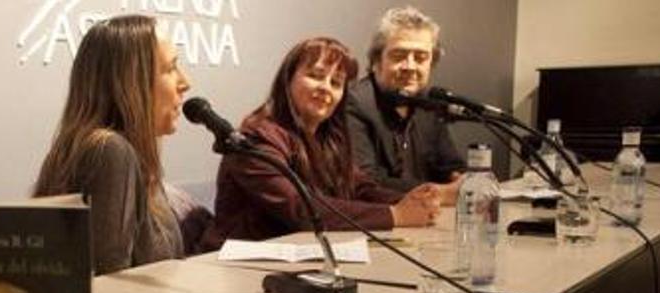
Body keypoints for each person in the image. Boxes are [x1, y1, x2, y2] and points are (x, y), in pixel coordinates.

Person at [200, 37, 440, 250]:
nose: (325, 88)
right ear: (288, 80)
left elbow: (359, 187)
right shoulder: (256, 137)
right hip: (236, 266)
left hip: (296, 259)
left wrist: (411, 201)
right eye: (315, 76)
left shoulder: (328, 139)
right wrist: (395, 215)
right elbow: (300, 208)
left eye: (336, 83)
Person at [33, 15, 191, 275]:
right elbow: (110, 285)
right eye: (170, 68)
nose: (185, 82)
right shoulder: (111, 152)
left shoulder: (124, 153)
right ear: (130, 82)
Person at [347, 6, 464, 200]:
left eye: (420, 58)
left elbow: (451, 167)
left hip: (427, 219)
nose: (410, 66)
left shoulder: (430, 103)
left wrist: (464, 181)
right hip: (381, 220)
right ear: (377, 60)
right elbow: (366, 182)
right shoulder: (355, 102)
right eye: (399, 56)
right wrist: (441, 193)